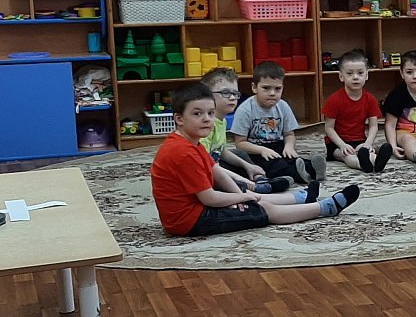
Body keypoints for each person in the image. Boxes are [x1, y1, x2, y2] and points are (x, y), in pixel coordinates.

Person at [151, 81, 359, 236]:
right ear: (179, 119)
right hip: (190, 220)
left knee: (250, 198)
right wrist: (242, 198)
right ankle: (324, 208)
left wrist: (242, 193)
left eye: (210, 113)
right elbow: (210, 198)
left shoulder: (191, 143)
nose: (207, 119)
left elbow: (216, 173)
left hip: (196, 209)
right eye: (197, 114)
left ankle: (299, 198)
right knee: (263, 209)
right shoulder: (183, 151)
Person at [231, 61, 320, 186]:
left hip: (277, 144)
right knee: (275, 165)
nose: (272, 93)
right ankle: (298, 174)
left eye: (277, 89)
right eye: (266, 88)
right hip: (255, 150)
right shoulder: (245, 109)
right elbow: (240, 143)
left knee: (292, 159)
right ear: (254, 88)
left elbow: (289, 134)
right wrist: (262, 150)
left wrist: (289, 146)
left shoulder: (283, 106)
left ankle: (311, 168)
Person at [322, 49, 395, 173]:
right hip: (336, 143)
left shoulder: (370, 99)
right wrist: (342, 145)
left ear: (366, 75)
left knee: (368, 152)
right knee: (347, 156)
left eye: (360, 73)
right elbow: (329, 128)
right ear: (341, 76)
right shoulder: (334, 99)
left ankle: (378, 162)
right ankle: (362, 165)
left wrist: (368, 143)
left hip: (359, 140)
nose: (355, 77)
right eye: (349, 74)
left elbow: (373, 126)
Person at [198, 67, 269, 185]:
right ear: (207, 95)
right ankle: (251, 185)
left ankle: (258, 178)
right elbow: (206, 164)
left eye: (235, 94)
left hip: (214, 164)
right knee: (227, 174)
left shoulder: (222, 120)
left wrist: (247, 166)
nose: (232, 98)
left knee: (240, 154)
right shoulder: (205, 124)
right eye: (225, 93)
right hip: (205, 170)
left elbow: (220, 151)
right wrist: (242, 180)